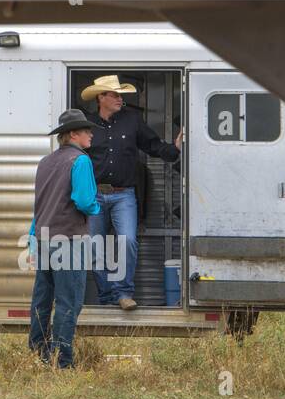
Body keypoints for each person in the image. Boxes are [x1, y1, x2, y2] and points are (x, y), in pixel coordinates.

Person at [80, 75, 182, 310]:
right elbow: (74, 156)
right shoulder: (87, 124)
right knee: (96, 247)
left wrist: (174, 149)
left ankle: (123, 293)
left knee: (127, 242)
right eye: (115, 95)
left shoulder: (132, 120)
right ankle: (106, 297)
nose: (120, 99)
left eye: (120, 95)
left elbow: (153, 145)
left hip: (124, 194)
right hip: (94, 195)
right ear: (100, 98)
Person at [28, 109, 101, 369]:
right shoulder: (81, 161)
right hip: (69, 240)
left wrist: (31, 239)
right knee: (68, 302)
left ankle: (38, 355)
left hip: (44, 238)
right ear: (73, 134)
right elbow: (83, 200)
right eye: (86, 131)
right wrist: (96, 208)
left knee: (42, 300)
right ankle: (62, 362)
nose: (90, 134)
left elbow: (39, 206)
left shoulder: (44, 163)